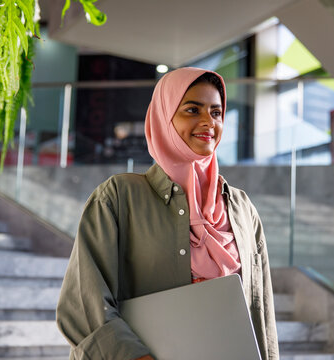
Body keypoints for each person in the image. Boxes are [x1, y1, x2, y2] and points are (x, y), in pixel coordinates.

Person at [56, 67, 279, 360]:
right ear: (164, 117)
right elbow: (82, 306)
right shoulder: (119, 197)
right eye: (191, 109)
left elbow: (261, 315)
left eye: (216, 112)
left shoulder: (241, 208)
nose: (207, 122)